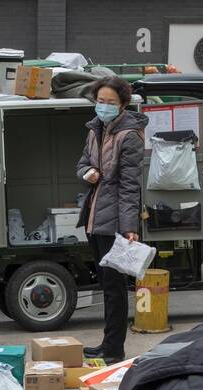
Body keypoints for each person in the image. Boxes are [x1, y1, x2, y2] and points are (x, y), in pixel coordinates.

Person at [76, 77, 147, 365]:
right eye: (100, 101)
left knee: (115, 288)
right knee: (107, 286)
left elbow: (130, 185)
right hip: (95, 216)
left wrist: (129, 227)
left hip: (115, 221)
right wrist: (87, 173)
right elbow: (81, 162)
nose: (103, 107)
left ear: (123, 104)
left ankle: (115, 348)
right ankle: (107, 343)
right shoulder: (95, 130)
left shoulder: (129, 135)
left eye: (110, 102)